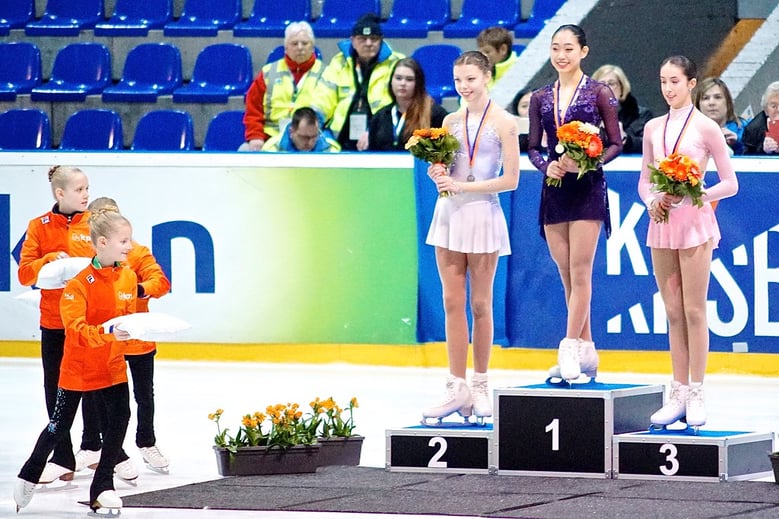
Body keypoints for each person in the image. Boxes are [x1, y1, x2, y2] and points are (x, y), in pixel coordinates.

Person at [14, 208, 137, 515]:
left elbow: (127, 319)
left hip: (112, 366)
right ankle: (30, 472)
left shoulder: (129, 277)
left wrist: (132, 332)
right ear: (103, 242)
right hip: (79, 369)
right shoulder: (79, 285)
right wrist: (111, 334)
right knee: (58, 427)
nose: (130, 246)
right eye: (124, 240)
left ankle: (103, 486)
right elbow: (77, 331)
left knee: (120, 419)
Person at [639, 55, 738, 428]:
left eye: (675, 81)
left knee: (694, 310)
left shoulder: (706, 128)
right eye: (664, 81)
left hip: (695, 223)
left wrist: (699, 193)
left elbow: (731, 183)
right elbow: (645, 179)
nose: (668, 88)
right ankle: (677, 389)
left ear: (692, 83)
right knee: (673, 311)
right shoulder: (652, 128)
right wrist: (653, 200)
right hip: (662, 224)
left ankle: (696, 389)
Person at [422, 51, 520, 423]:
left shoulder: (505, 123)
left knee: (480, 304)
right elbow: (447, 167)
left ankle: (480, 382)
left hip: (482, 213)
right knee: (451, 301)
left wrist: (462, 185)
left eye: (471, 79)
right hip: (449, 213)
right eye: (459, 80)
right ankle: (455, 383)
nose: (464, 87)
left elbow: (511, 180)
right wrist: (438, 172)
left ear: (488, 77)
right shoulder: (449, 120)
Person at [527, 24, 623, 382]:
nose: (561, 55)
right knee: (566, 273)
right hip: (554, 188)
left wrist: (588, 162)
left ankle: (568, 345)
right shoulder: (540, 97)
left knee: (581, 270)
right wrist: (545, 164)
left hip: (587, 189)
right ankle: (588, 350)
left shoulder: (599, 92)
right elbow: (534, 146)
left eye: (568, 48)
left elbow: (616, 142)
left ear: (583, 51)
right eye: (556, 48)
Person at [75, 197, 172, 479]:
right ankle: (92, 444)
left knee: (144, 393)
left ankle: (146, 441)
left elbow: (161, 282)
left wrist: (137, 290)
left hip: (137, 337)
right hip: (105, 340)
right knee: (95, 394)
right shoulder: (86, 256)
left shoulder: (137, 252)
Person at [17, 165, 94, 484]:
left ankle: (96, 449)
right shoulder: (39, 226)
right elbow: (25, 274)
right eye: (79, 190)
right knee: (55, 387)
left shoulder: (95, 223)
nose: (86, 194)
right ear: (60, 194)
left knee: (94, 386)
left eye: (87, 188)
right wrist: (48, 261)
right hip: (54, 321)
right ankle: (63, 456)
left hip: (88, 321)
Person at [299, 13, 404, 151]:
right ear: (352, 41)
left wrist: (375, 131)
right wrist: (311, 121)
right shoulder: (338, 63)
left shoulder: (397, 63)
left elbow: (403, 104)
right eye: (362, 39)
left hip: (383, 136)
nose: (368, 43)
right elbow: (323, 98)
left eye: (374, 39)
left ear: (381, 40)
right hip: (341, 138)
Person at [241, 21, 325, 151]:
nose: (300, 47)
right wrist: (255, 136)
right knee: (244, 150)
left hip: (310, 140)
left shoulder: (326, 73)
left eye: (305, 43)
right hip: (271, 139)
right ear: (286, 48)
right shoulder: (268, 72)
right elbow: (253, 110)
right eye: (294, 43)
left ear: (312, 47)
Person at [362, 57, 448, 151]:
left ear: (418, 83)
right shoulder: (380, 116)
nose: (403, 83)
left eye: (409, 79)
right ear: (391, 82)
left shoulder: (435, 114)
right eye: (398, 78)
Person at [591, 64, 654, 154]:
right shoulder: (586, 116)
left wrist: (625, 138)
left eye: (611, 83)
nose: (606, 88)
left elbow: (649, 145)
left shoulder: (641, 115)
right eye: (601, 84)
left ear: (622, 88)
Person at [694, 77, 748, 155]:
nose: (711, 103)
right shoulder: (688, 132)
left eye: (717, 97)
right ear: (698, 105)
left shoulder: (746, 129)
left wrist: (737, 144)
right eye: (705, 98)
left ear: (728, 103)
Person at [262, 107, 341, 152]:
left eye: (314, 137)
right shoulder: (272, 150)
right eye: (305, 137)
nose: (310, 143)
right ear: (291, 131)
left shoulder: (332, 151)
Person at [742, 80, 779, 155]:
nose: (778, 110)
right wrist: (762, 149)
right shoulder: (752, 129)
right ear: (766, 109)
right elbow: (747, 159)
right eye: (773, 106)